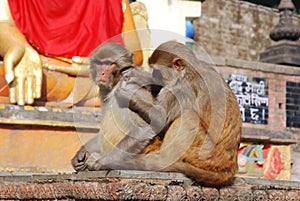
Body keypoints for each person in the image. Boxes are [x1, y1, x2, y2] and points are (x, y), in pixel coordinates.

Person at [0, 0, 142, 107]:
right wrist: (22, 49)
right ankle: (87, 91)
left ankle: (87, 90)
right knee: (9, 78)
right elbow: (3, 24)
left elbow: (135, 53)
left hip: (102, 78)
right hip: (40, 70)